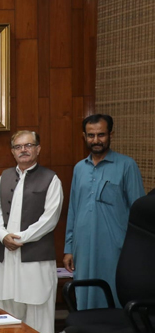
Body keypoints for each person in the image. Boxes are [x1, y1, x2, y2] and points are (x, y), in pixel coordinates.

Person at [64, 114, 144, 310]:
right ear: (84, 136)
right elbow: (73, 208)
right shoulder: (79, 168)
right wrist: (69, 248)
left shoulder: (126, 165)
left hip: (116, 248)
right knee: (84, 293)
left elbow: (138, 212)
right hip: (83, 248)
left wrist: (136, 251)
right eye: (91, 135)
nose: (96, 140)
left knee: (113, 294)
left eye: (101, 135)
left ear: (111, 135)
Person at [0, 131, 63, 333]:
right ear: (12, 152)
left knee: (38, 312)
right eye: (18, 147)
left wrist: (20, 238)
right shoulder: (4, 176)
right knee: (6, 310)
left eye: (28, 145)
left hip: (35, 257)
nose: (23, 150)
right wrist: (3, 235)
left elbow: (50, 218)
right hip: (6, 255)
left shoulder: (51, 178)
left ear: (38, 149)